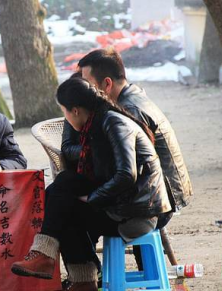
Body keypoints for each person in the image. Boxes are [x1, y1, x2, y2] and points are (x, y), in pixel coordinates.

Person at [11, 78, 171, 291]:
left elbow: (126, 175)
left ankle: (77, 275)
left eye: (65, 112)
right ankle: (69, 271)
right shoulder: (96, 124)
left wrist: (93, 198)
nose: (66, 118)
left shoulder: (114, 123)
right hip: (121, 205)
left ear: (75, 111)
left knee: (64, 206)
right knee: (62, 190)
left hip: (138, 213)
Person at [65, 48, 193, 226]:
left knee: (69, 206)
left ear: (107, 84)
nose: (83, 90)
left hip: (158, 201)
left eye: (87, 84)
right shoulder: (131, 95)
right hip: (160, 193)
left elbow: (126, 172)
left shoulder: (128, 112)